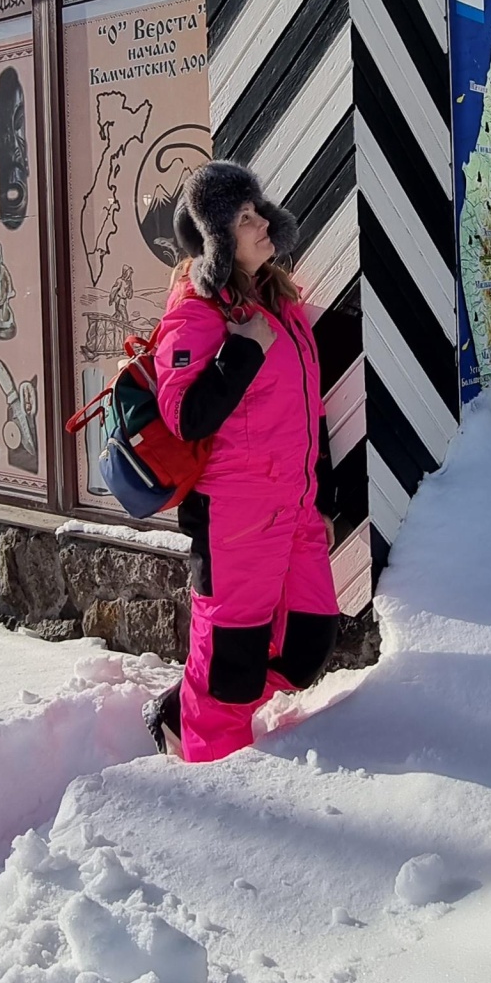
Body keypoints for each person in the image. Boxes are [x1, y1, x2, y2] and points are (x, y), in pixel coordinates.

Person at [144, 159, 338, 763]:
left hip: (295, 509)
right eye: (243, 218)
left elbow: (312, 414)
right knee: (230, 669)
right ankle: (211, 780)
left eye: (259, 212)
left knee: (307, 646)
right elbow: (185, 416)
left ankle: (186, 703)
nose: (259, 224)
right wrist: (241, 352)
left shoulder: (281, 303)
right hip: (233, 522)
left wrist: (322, 501)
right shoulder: (195, 314)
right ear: (218, 240)